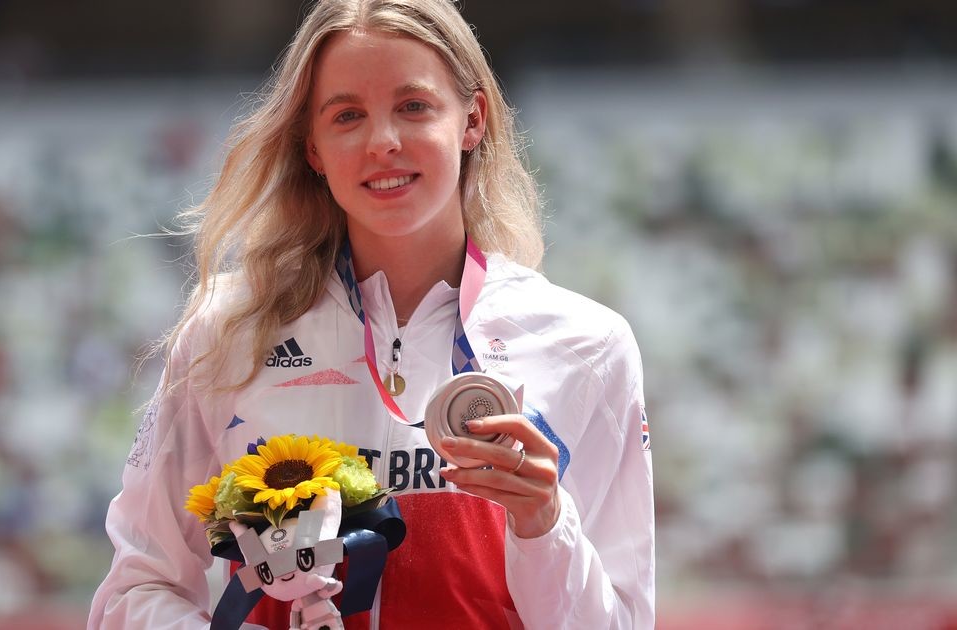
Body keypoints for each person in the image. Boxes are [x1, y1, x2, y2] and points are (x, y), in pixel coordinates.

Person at [89, 0, 655, 628]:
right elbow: (135, 592)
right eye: (348, 115)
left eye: (413, 107)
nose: (383, 142)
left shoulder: (587, 344)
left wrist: (545, 524)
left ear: (472, 120)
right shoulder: (229, 332)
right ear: (313, 147)